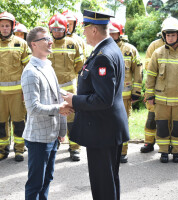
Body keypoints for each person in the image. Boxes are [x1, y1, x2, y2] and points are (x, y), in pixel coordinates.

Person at [63, 10, 129, 200]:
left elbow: (103, 99)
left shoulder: (103, 56)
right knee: (109, 180)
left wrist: (74, 100)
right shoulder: (110, 48)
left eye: (85, 28)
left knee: (103, 185)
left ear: (93, 30)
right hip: (107, 128)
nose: (83, 32)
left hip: (102, 130)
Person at [21, 26, 71, 200]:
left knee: (47, 179)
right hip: (39, 138)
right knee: (36, 183)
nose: (51, 41)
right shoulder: (30, 72)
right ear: (34, 44)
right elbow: (33, 108)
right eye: (45, 39)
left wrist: (76, 99)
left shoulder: (47, 66)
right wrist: (59, 109)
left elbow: (56, 93)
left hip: (52, 134)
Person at [145, 17, 178, 163]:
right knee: (161, 126)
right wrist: (149, 95)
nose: (170, 38)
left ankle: (176, 152)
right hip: (161, 100)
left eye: (173, 35)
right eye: (167, 35)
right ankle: (163, 152)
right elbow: (150, 77)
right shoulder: (157, 53)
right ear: (164, 36)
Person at [0, 11, 30, 162]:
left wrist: (27, 90)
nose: (5, 28)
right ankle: (2, 150)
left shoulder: (21, 44)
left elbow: (29, 69)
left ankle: (19, 150)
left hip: (18, 93)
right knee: (0, 122)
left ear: (12, 26)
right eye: (2, 25)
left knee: (19, 122)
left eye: (7, 25)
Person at [48, 13, 84, 161]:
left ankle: (74, 147)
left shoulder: (72, 43)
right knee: (52, 117)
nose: (57, 32)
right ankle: (53, 144)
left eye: (60, 29)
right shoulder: (46, 43)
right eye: (54, 29)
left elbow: (80, 65)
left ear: (66, 29)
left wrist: (70, 77)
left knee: (72, 118)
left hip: (69, 88)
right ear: (50, 30)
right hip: (50, 89)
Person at [109, 20, 143, 163]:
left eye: (114, 33)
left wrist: (136, 91)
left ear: (120, 33)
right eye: (109, 32)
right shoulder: (100, 48)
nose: (111, 35)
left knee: (122, 124)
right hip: (106, 97)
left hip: (124, 97)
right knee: (106, 124)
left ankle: (122, 152)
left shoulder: (130, 50)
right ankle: (109, 151)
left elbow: (138, 71)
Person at [140, 30, 165, 153]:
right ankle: (149, 143)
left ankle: (166, 145)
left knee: (168, 120)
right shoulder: (154, 45)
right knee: (151, 118)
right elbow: (146, 65)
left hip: (171, 90)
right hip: (155, 87)